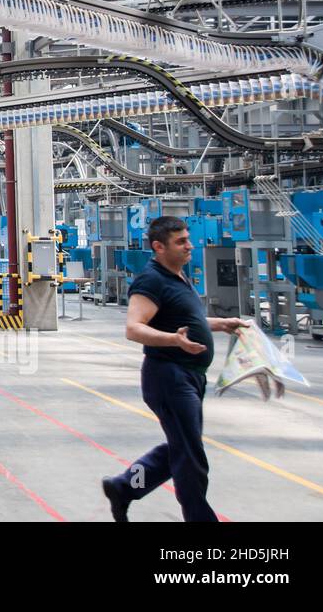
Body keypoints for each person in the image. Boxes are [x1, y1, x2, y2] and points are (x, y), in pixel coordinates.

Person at [100, 216, 249, 522]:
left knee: (182, 446)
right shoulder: (151, 280)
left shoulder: (177, 277)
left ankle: (124, 487)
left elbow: (182, 320)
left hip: (189, 376)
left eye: (188, 239)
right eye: (181, 241)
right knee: (190, 456)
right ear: (158, 247)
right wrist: (174, 341)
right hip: (168, 375)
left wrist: (221, 324)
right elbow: (133, 328)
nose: (189, 246)